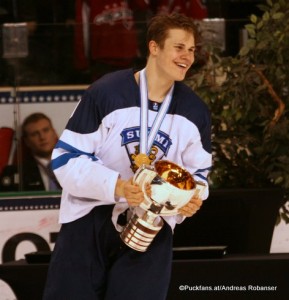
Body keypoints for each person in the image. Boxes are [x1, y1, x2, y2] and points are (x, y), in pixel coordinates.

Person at [43, 12, 212, 300]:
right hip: (88, 223)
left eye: (192, 49)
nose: (187, 56)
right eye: (179, 47)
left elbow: (198, 176)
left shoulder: (194, 112)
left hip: (152, 228)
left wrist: (192, 198)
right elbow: (65, 159)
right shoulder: (106, 93)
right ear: (154, 47)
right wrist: (118, 187)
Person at [0, 113, 60, 191]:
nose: (42, 137)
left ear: (54, 133)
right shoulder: (14, 174)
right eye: (35, 134)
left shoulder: (75, 164)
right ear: (27, 141)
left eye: (46, 130)